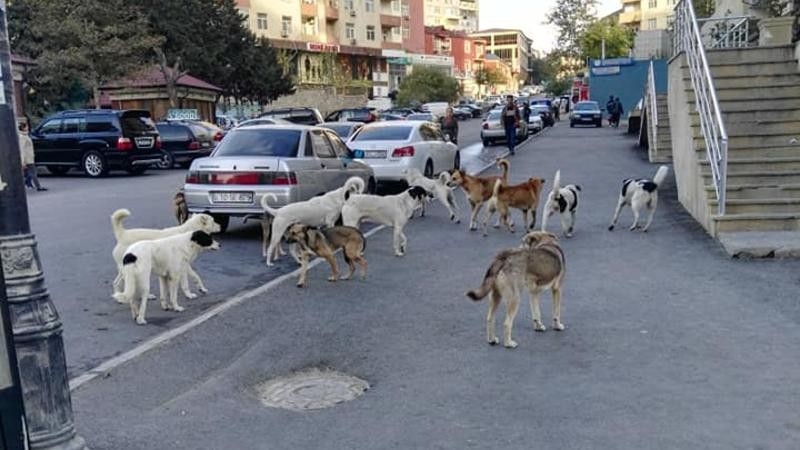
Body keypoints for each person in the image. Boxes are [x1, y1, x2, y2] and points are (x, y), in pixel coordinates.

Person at [19, 122, 46, 191]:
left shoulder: (26, 135)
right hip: (28, 159)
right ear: (23, 128)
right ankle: (38, 186)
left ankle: (29, 184)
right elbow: (22, 149)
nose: (28, 128)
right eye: (26, 126)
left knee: (28, 173)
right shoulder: (23, 137)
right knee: (32, 172)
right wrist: (23, 161)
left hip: (29, 158)